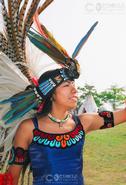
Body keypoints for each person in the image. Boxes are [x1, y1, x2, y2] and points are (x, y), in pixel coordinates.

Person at [0, 1, 126, 185]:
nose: (75, 89)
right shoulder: (28, 128)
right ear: (51, 93)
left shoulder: (83, 122)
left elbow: (122, 115)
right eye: (67, 85)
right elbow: (11, 178)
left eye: (74, 84)